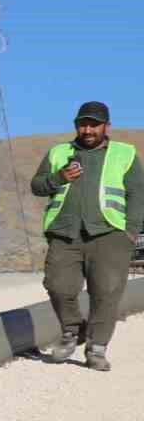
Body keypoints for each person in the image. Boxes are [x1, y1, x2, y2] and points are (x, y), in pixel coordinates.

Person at [31, 101, 141, 371]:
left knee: (106, 292)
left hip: (111, 234)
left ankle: (97, 348)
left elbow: (139, 193)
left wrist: (131, 231)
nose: (88, 129)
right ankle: (72, 330)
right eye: (83, 124)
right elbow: (37, 186)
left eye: (94, 124)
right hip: (65, 233)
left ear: (107, 126)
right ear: (76, 126)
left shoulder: (124, 153)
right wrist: (59, 178)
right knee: (57, 285)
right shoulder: (59, 152)